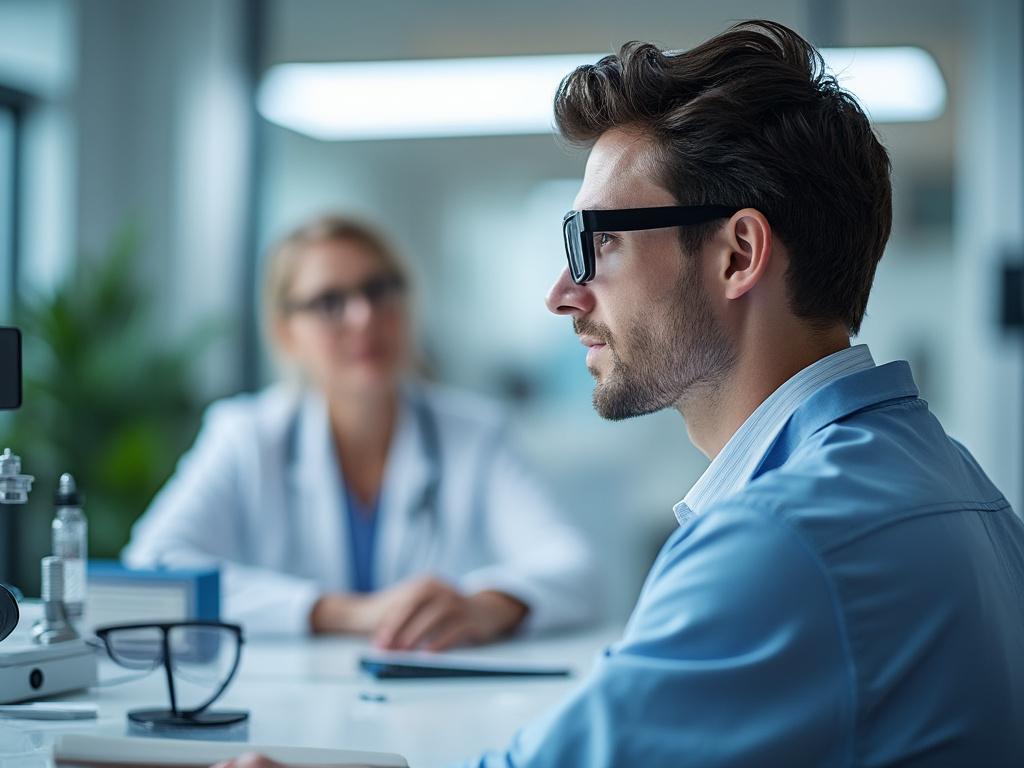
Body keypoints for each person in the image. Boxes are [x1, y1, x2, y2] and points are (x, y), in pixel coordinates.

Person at [218, 19, 1024, 768]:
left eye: (594, 241)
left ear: (739, 254)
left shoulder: (781, 541)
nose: (563, 293)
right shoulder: (962, 487)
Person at [124, 214, 597, 649]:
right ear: (285, 332)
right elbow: (153, 570)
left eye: (379, 290)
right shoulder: (246, 437)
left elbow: (575, 570)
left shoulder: (475, 434)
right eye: (330, 302)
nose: (364, 317)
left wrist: (482, 607)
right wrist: (344, 613)